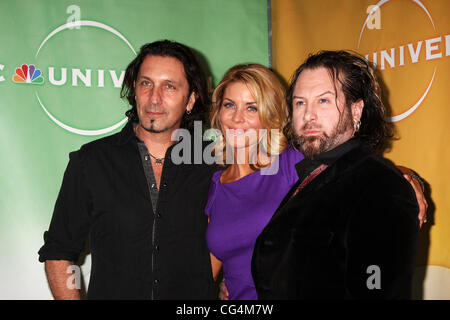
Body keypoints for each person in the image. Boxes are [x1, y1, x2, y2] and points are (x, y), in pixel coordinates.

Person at [38, 40, 216, 299]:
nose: (154, 98)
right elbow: (58, 251)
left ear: (190, 99)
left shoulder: (214, 164)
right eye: (146, 83)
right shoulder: (92, 161)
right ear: (134, 90)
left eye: (169, 86)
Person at [251, 50, 421, 299]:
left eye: (323, 101)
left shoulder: (380, 186)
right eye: (300, 103)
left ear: (356, 111)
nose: (308, 115)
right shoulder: (314, 177)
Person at [205, 64, 304, 300]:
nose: (237, 117)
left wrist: (408, 177)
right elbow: (207, 272)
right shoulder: (215, 186)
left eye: (251, 108)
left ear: (270, 114)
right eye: (229, 105)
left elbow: (355, 172)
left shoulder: (292, 164)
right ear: (219, 112)